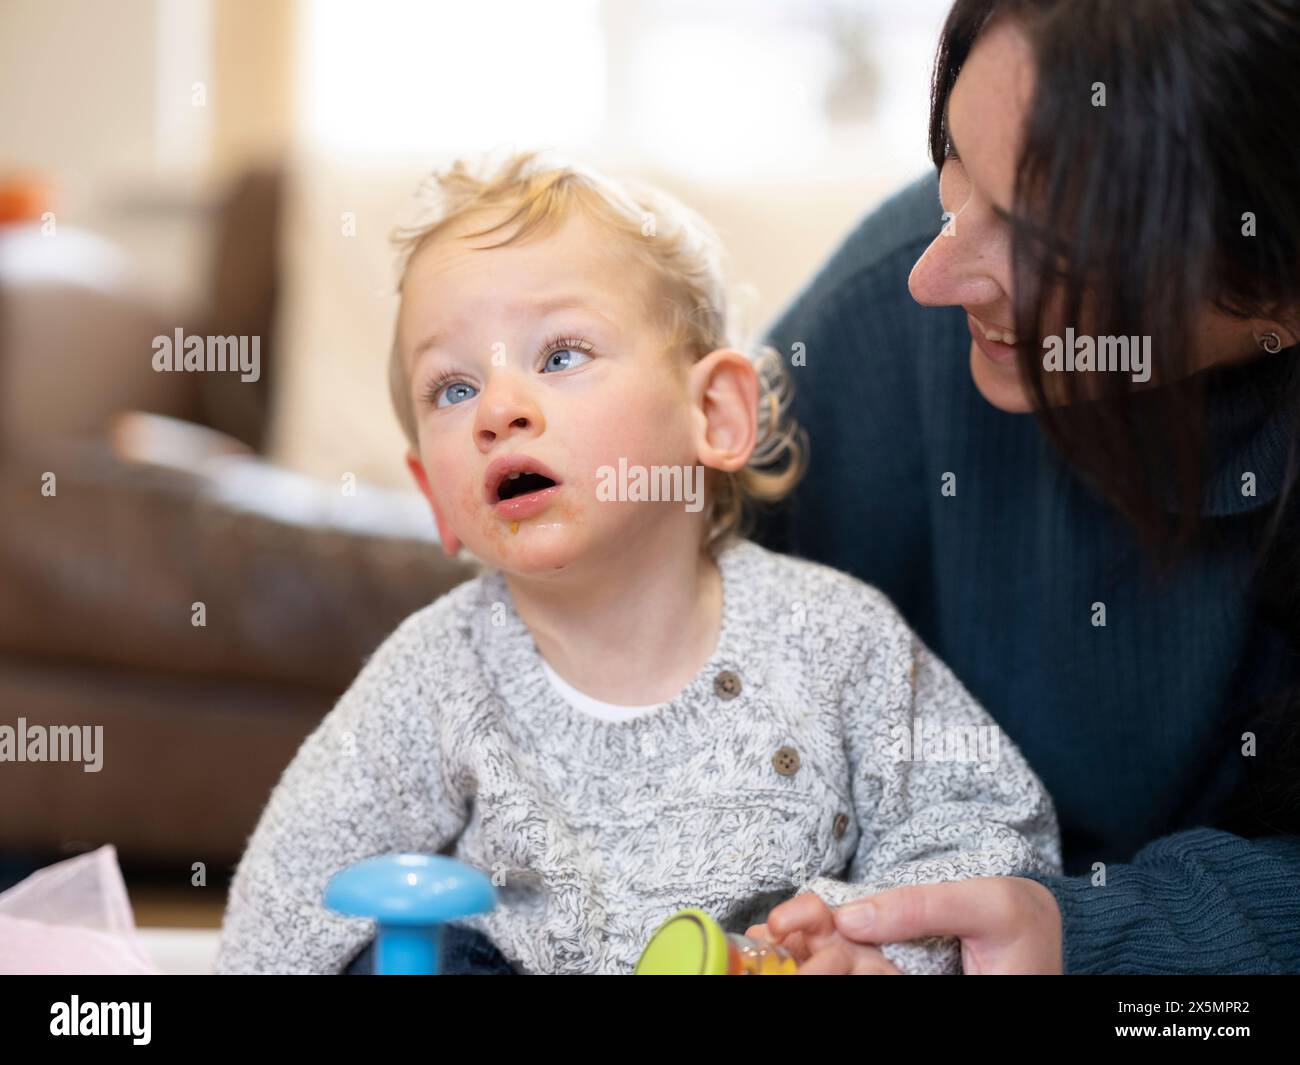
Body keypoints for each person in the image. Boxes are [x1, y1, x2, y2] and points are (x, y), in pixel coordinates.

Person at [212, 151, 1060, 975]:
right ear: (433, 494)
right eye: (453, 388)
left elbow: (984, 825)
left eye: (560, 355)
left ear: (716, 413)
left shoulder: (832, 634)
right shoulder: (437, 673)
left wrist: (872, 942)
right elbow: (294, 885)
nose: (499, 410)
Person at [749, 0, 1300, 973]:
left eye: (1046, 244)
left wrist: (1087, 937)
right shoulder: (879, 314)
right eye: (953, 159)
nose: (934, 272)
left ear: (1272, 288)